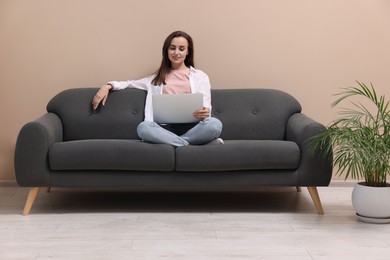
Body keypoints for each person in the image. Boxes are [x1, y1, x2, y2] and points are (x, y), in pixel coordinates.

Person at [92, 31, 223, 147]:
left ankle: (178, 142)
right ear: (167, 50)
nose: (176, 52)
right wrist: (108, 86)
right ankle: (191, 144)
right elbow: (128, 83)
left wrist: (205, 112)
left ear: (188, 51)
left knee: (215, 124)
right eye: (172, 48)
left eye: (181, 49)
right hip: (163, 130)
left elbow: (206, 106)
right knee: (143, 128)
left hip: (193, 128)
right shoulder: (155, 79)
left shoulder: (200, 76)